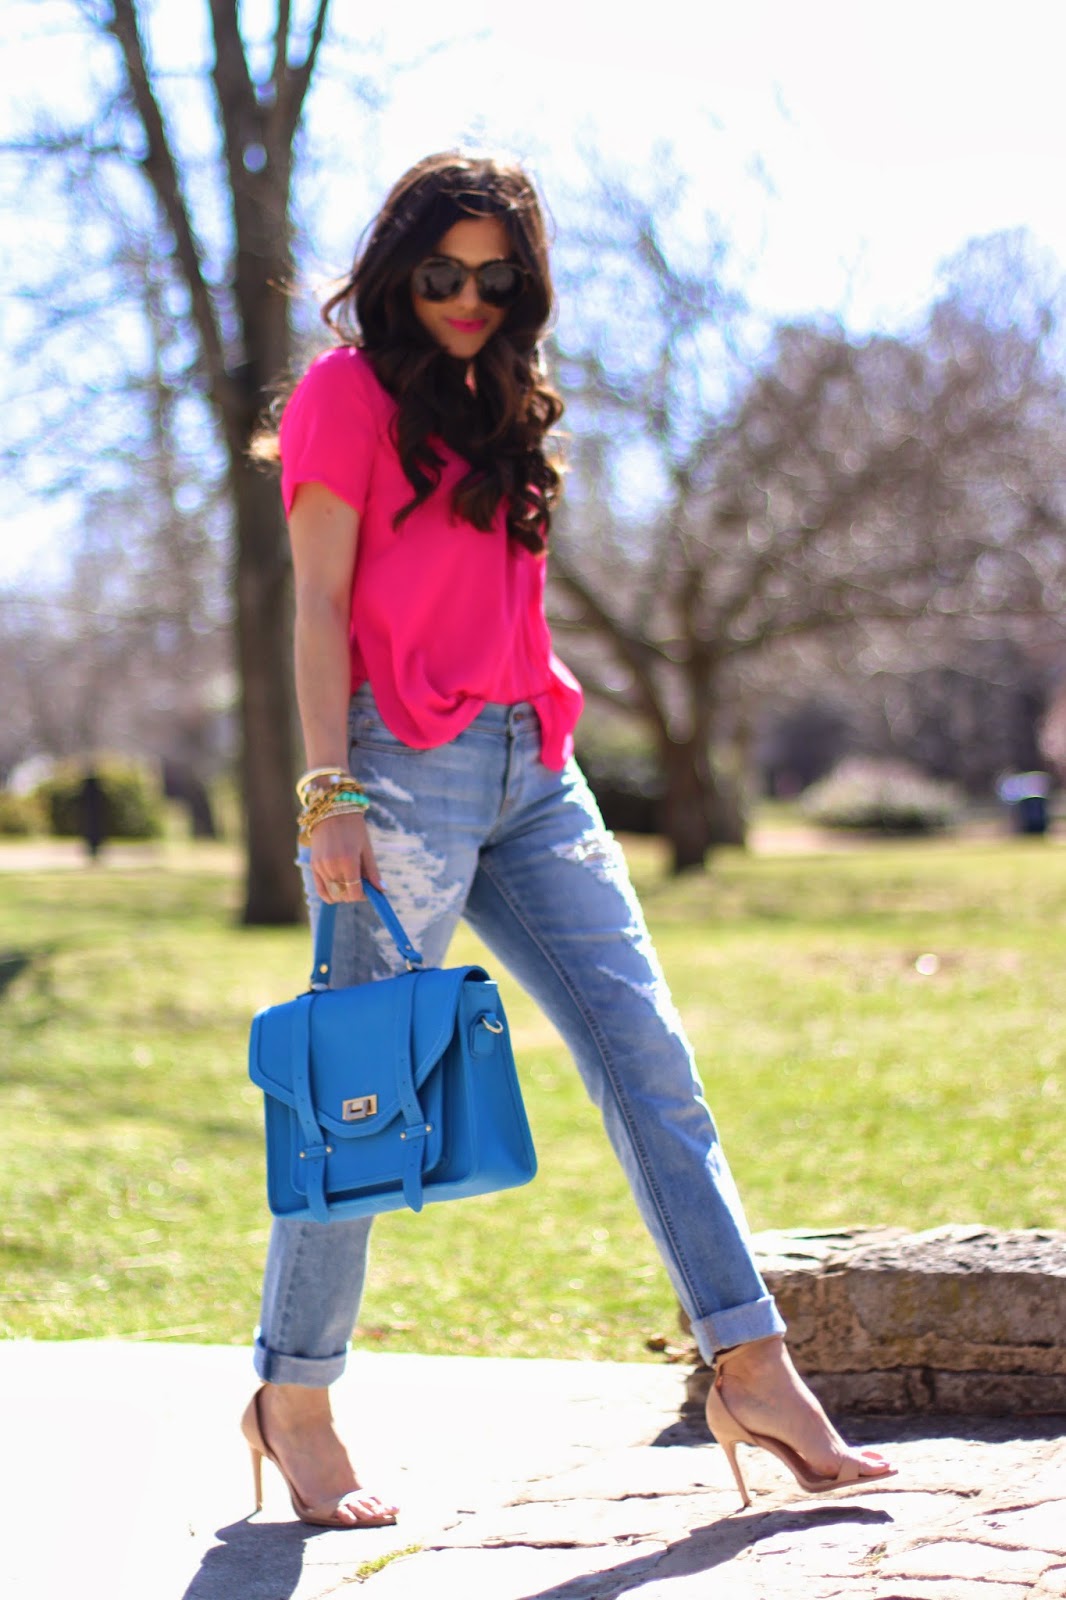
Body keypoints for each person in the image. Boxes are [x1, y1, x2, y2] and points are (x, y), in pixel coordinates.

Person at [243, 151, 895, 1528]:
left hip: (533, 770)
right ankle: (293, 1399)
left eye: (497, 279)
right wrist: (325, 792)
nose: (467, 299)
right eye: (443, 272)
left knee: (648, 1059)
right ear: (398, 269)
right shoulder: (343, 394)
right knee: (358, 1097)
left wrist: (532, 738)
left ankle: (751, 1367)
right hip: (394, 771)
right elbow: (317, 605)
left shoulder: (507, 400)